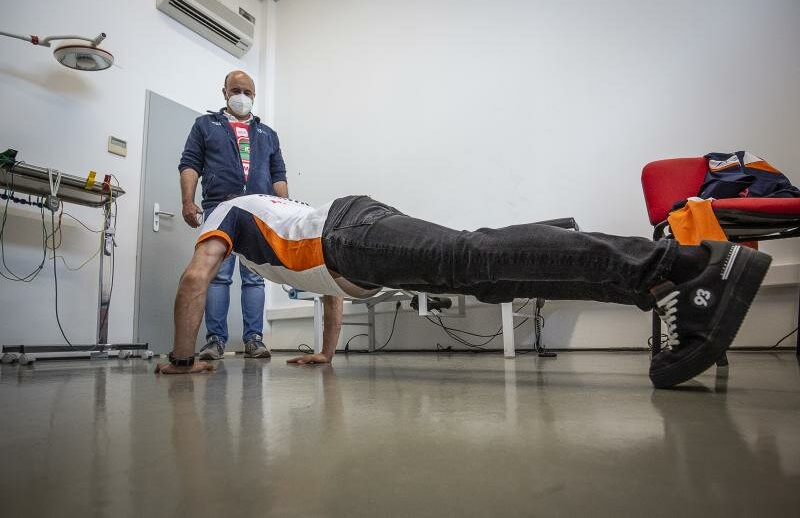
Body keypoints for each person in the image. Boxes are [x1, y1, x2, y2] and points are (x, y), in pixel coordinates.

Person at [154, 194, 772, 389]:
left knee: (473, 255)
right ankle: (667, 284)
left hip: (352, 235)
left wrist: (183, 360)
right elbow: (326, 289)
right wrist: (327, 351)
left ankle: (686, 264)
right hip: (351, 248)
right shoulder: (269, 237)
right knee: (485, 274)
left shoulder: (225, 213)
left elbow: (193, 279)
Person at [178, 70, 290, 360]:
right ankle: (215, 340)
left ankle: (254, 339)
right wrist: (187, 201)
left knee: (255, 278)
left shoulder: (268, 134)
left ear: (254, 96)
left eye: (247, 92)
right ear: (225, 92)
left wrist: (284, 211)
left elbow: (278, 174)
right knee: (218, 276)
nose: (242, 97)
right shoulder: (205, 125)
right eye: (236, 91)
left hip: (259, 209)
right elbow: (190, 163)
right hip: (220, 207)